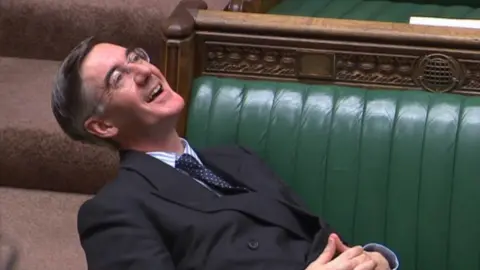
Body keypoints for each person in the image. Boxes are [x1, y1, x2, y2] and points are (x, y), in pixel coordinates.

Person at [51, 37, 399, 270]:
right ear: (103, 127)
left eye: (136, 57)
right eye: (118, 77)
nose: (143, 71)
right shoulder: (114, 211)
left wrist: (374, 259)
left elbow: (317, 238)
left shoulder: (236, 158)